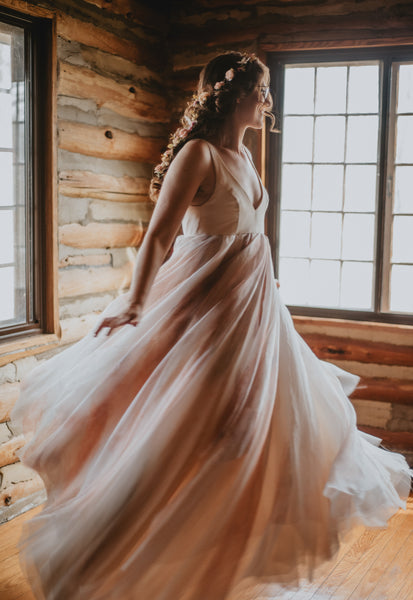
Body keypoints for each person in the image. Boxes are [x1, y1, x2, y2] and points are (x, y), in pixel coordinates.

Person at [10, 51, 412, 600]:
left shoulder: (246, 156)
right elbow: (158, 236)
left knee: (264, 432)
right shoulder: (198, 155)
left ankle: (218, 564)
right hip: (206, 311)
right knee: (186, 431)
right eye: (262, 90)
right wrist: (134, 300)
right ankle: (106, 552)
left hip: (253, 312)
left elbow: (251, 236)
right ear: (234, 92)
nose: (268, 101)